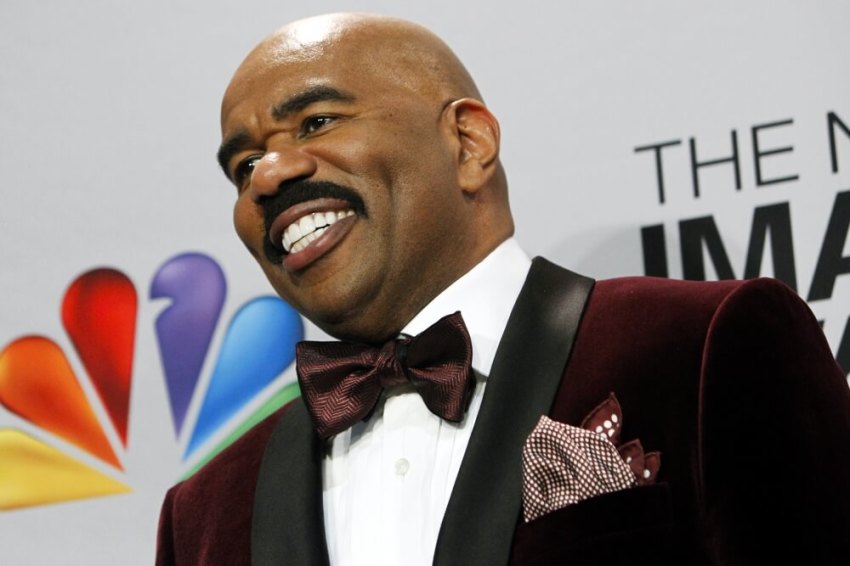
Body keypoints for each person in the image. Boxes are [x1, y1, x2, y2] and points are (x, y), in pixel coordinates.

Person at [156, 12, 850, 566]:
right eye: (243, 165)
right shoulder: (204, 513)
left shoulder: (701, 348)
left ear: (467, 142)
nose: (268, 176)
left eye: (316, 121)